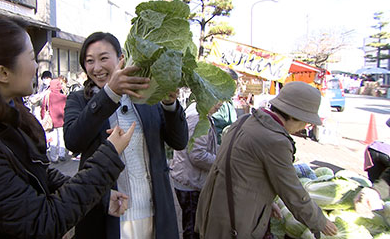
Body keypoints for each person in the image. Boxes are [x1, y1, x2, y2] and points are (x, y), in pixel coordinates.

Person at [0, 8, 135, 238]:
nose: (37, 67)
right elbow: (43, 222)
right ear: (3, 73)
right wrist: (109, 155)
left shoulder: (3, 118)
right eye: (30, 57)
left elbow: (39, 175)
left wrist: (101, 197)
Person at [63, 32, 189, 239]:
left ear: (121, 58)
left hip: (155, 213)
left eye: (104, 58)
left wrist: (169, 103)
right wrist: (110, 93)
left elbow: (179, 141)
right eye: (89, 61)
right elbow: (73, 141)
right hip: (108, 216)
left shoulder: (146, 96)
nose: (97, 68)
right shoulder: (79, 100)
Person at [195, 81, 338, 239]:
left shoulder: (246, 120)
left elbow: (243, 172)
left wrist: (267, 202)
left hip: (214, 209)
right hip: (234, 220)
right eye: (305, 121)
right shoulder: (276, 141)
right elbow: (292, 191)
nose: (305, 126)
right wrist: (320, 221)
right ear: (292, 115)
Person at [170, 101, 222, 239]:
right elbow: (197, 155)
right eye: (217, 100)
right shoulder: (198, 117)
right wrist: (220, 162)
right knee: (193, 229)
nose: (220, 105)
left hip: (190, 179)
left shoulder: (202, 113)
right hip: (190, 182)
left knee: (193, 226)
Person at [42, 79, 68, 163]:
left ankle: (53, 157)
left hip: (51, 121)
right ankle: (62, 154)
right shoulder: (63, 97)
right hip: (62, 120)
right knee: (61, 138)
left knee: (53, 140)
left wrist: (43, 117)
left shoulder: (47, 96)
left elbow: (43, 108)